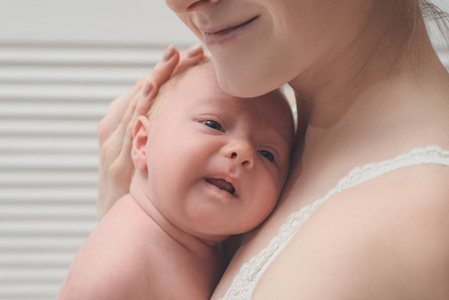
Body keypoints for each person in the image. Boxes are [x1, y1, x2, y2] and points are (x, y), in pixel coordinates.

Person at [97, 0, 449, 299]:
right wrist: (141, 228)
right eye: (212, 125)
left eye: (266, 154)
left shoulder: (413, 224)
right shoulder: (282, 133)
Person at [57, 58, 295, 299]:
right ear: (142, 143)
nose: (242, 150)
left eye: (267, 154)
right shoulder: (116, 264)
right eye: (213, 124)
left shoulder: (205, 245)